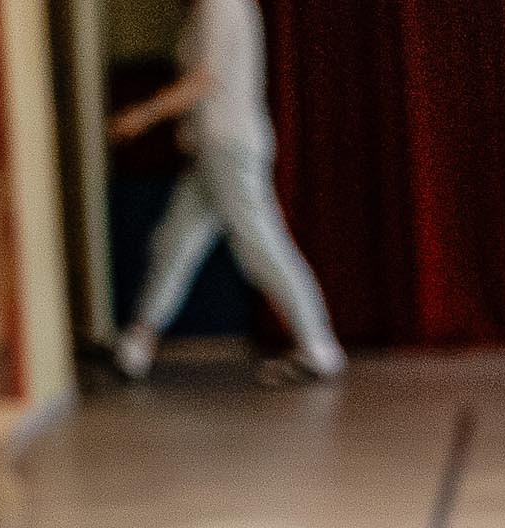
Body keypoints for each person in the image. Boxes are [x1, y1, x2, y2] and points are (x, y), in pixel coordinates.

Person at [106, 0, 347, 385]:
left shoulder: (224, 6)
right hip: (210, 151)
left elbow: (205, 79)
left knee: (261, 244)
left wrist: (143, 116)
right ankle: (137, 343)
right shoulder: (206, 10)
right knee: (175, 243)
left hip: (230, 148)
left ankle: (318, 345)